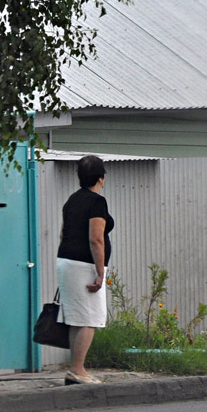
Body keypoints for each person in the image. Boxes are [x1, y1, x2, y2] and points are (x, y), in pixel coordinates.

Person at [56, 155, 114, 385]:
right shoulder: (97, 202)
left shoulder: (71, 201)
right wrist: (100, 272)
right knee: (89, 318)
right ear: (101, 178)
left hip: (66, 262)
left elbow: (63, 234)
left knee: (76, 319)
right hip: (84, 265)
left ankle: (74, 369)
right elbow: (95, 239)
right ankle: (78, 370)